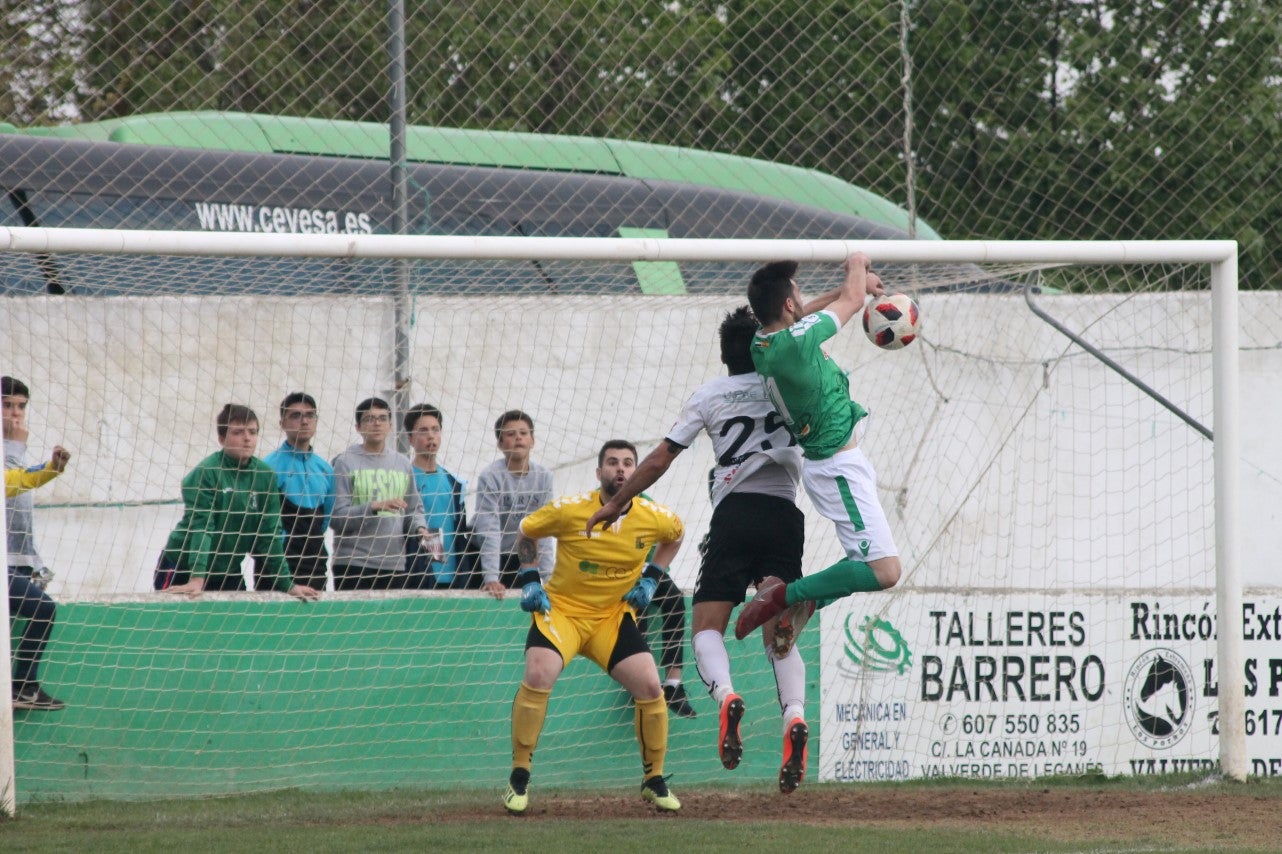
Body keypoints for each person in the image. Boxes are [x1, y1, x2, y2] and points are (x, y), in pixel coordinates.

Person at [586, 306, 812, 793]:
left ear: (724, 354)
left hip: (734, 515)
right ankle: (793, 717)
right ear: (764, 345)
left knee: (707, 625)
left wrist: (619, 503)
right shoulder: (788, 385)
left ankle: (727, 696)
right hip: (784, 517)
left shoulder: (710, 394)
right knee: (781, 631)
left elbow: (662, 457)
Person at [503, 440, 685, 815]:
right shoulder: (571, 510)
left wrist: (651, 577)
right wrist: (530, 579)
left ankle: (654, 780)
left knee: (651, 686)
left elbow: (676, 536)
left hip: (611, 618)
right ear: (598, 471)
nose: (621, 469)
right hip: (563, 613)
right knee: (538, 674)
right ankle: (518, 779)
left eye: (628, 464)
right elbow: (526, 531)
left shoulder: (654, 516)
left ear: (637, 472)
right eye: (613, 463)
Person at [735, 254, 902, 640]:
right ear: (788, 305)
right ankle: (787, 597)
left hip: (837, 464)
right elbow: (852, 301)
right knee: (885, 572)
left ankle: (805, 603)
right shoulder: (796, 341)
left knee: (869, 560)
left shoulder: (764, 340)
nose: (803, 299)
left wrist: (850, 287)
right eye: (797, 293)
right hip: (837, 468)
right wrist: (857, 265)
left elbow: (809, 311)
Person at [155, 403, 321, 601]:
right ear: (222, 439)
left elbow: (269, 534)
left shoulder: (264, 476)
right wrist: (197, 577)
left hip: (228, 569)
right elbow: (202, 527)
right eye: (238, 432)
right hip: (183, 566)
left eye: (252, 432)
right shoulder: (207, 472)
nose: (247, 438)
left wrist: (287, 584)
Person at [3, 376, 69, 710]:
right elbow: (6, 484)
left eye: (20, 406)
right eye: (6, 405)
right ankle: (23, 685)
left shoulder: (14, 451)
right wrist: (14, 447)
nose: (15, 414)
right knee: (43, 609)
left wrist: (51, 469)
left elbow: (21, 481)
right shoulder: (10, 450)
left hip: (16, 561)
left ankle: (21, 687)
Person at [330, 396, 430, 590]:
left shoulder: (402, 463)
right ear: (358, 427)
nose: (377, 423)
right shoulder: (344, 462)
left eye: (382, 418)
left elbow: (414, 509)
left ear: (391, 425)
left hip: (394, 565)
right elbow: (336, 518)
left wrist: (420, 529)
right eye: (369, 418)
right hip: (353, 563)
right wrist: (374, 506)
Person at [254, 392, 334, 591]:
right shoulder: (267, 467)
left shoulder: (326, 470)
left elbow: (324, 520)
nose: (304, 421)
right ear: (282, 422)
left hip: (314, 563)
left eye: (310, 415)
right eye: (296, 416)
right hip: (276, 565)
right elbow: (258, 521)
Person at [472, 410, 554, 597]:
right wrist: (491, 577)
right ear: (500, 443)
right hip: (489, 555)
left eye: (524, 433)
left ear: (532, 441)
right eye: (510, 434)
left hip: (524, 554)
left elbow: (545, 529)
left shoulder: (544, 477)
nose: (518, 437)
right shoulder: (490, 476)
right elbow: (488, 528)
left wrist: (549, 578)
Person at [404, 403, 470, 589]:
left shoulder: (454, 482)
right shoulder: (406, 479)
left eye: (435, 430)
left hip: (454, 575)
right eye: (423, 430)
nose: (431, 436)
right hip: (418, 574)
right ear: (410, 438)